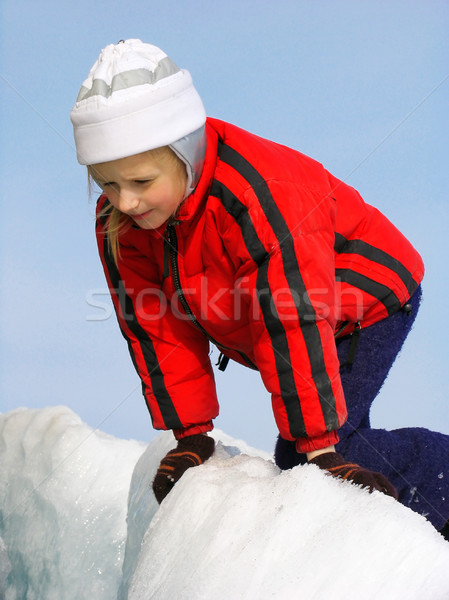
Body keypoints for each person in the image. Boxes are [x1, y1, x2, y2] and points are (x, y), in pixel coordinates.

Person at [70, 39, 448, 538]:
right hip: (293, 312)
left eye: (140, 181)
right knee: (314, 460)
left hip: (363, 296)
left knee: (322, 462)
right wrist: (191, 437)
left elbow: (292, 314)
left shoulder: (256, 193)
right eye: (107, 184)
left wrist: (318, 445)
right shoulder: (121, 223)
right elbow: (154, 325)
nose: (127, 201)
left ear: (184, 152)